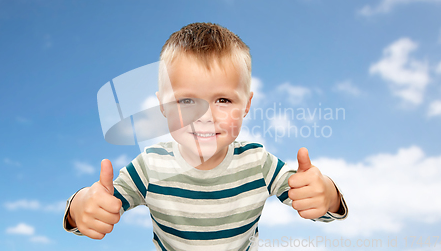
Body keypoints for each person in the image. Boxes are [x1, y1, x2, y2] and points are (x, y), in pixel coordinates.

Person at [63, 22, 348, 250]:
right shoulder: (149, 167)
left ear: (246, 105)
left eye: (223, 100)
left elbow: (315, 204)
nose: (205, 116)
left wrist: (327, 194)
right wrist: (82, 206)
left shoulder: (258, 163)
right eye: (186, 101)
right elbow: (98, 207)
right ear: (163, 106)